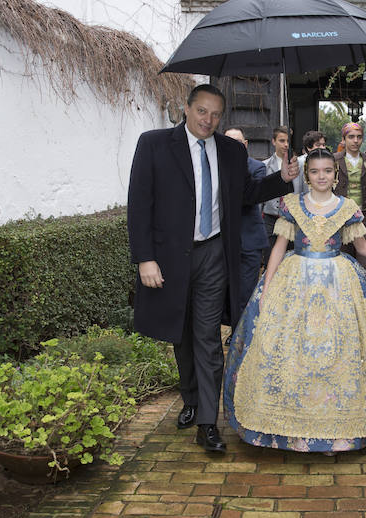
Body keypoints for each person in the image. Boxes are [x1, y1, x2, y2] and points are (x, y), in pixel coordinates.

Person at [127, 84, 299, 454]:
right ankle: (190, 397)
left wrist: (281, 180)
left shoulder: (231, 151)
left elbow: (245, 196)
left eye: (216, 114)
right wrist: (145, 258)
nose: (209, 120)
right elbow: (139, 204)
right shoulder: (154, 144)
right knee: (180, 334)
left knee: (206, 336)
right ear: (187, 109)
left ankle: (207, 421)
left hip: (213, 254)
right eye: (202, 111)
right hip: (170, 258)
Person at [223, 148, 366, 453]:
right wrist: (267, 285)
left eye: (327, 171)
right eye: (315, 171)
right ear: (307, 175)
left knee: (341, 351)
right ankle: (284, 426)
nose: (321, 177)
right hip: (295, 279)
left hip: (338, 281)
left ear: (336, 174)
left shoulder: (347, 207)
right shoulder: (292, 205)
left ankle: (339, 427)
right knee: (286, 350)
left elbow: (362, 247)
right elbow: (279, 247)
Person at [224, 127, 270, 311]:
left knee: (245, 293)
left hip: (249, 240)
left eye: (237, 143)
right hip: (221, 241)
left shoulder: (257, 167)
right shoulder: (213, 167)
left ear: (245, 145)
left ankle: (240, 336)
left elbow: (249, 198)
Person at [333, 122, 366, 266]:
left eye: (359, 137)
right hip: (339, 217)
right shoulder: (334, 159)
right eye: (351, 137)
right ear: (344, 139)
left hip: (363, 217)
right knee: (342, 261)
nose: (355, 141)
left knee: (365, 262)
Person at [262, 127, 303, 250]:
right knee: (270, 256)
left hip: (294, 219)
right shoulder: (264, 166)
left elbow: (305, 193)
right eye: (281, 140)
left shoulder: (300, 165)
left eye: (288, 141)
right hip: (271, 219)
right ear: (273, 141)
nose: (286, 145)